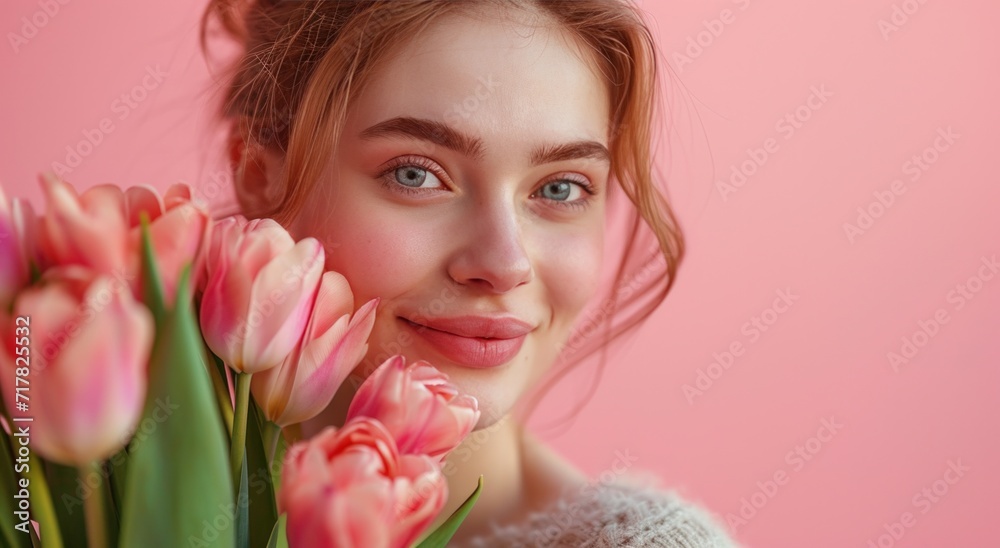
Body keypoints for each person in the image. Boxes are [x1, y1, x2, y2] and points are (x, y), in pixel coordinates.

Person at [200, 0, 739, 546]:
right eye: (415, 175)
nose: (505, 265)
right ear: (257, 172)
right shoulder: (115, 495)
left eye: (560, 188)